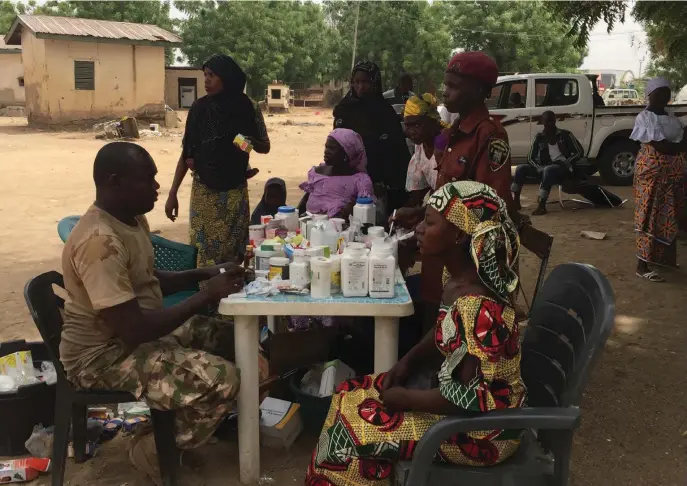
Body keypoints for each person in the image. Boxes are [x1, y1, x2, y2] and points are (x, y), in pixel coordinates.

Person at [62, 142, 260, 485]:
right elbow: (135, 329)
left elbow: (149, 282)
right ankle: (152, 449)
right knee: (224, 377)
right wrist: (204, 297)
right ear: (115, 181)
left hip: (128, 337)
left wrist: (205, 274)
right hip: (102, 358)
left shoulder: (131, 220)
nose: (157, 187)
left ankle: (176, 429)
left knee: (231, 339)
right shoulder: (99, 241)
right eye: (148, 179)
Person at [305, 181, 524, 486]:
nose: (419, 229)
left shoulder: (478, 304)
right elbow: (444, 330)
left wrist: (408, 398)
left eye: (430, 222)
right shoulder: (457, 277)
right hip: (458, 404)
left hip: (484, 430)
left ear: (459, 235)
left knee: (350, 435)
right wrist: (405, 362)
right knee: (346, 393)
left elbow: (468, 398)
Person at [392, 51, 523, 335]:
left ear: (480, 91)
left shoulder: (489, 136)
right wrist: (420, 214)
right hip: (441, 250)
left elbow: (491, 210)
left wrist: (445, 233)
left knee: (456, 332)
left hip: (465, 261)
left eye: (453, 86)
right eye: (446, 84)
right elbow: (446, 195)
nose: (445, 92)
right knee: (433, 319)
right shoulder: (453, 133)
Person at [165, 54, 270, 269]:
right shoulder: (199, 109)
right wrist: (173, 193)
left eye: (212, 75)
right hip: (204, 193)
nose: (206, 80)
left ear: (227, 76)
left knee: (232, 253)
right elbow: (187, 153)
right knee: (203, 252)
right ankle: (206, 298)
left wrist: (242, 143)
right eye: (205, 75)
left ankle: (226, 297)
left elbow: (263, 147)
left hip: (234, 194)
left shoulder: (247, 107)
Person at [333, 61, 411, 218]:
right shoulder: (344, 110)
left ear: (375, 83)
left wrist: (382, 182)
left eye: (365, 82)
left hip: (381, 182)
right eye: (356, 82)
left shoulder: (385, 113)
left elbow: (396, 152)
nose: (360, 87)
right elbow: (337, 146)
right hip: (349, 180)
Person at [630, 77, 686, 282]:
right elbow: (660, 146)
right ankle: (642, 264)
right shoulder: (644, 118)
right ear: (650, 94)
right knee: (649, 217)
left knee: (669, 215)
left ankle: (663, 259)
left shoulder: (673, 119)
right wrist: (678, 148)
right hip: (651, 176)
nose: (664, 96)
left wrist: (676, 148)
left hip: (672, 177)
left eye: (667, 92)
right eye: (659, 92)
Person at [511, 110, 584, 215]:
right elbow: (530, 158)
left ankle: (541, 206)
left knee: (548, 170)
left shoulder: (565, 135)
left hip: (563, 169)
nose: (548, 124)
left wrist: (568, 163)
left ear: (554, 122)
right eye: (546, 122)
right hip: (544, 167)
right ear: (543, 123)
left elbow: (579, 152)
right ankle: (515, 202)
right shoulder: (539, 138)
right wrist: (538, 167)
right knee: (520, 169)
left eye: (550, 121)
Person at [298, 128, 374, 219]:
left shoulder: (360, 180)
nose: (326, 151)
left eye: (332, 148)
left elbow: (365, 210)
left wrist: (351, 209)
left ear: (347, 153)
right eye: (326, 147)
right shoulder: (317, 173)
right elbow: (306, 199)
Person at [403, 93, 449, 207]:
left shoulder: (448, 143)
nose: (411, 132)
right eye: (408, 126)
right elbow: (417, 193)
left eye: (417, 125)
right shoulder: (420, 145)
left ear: (432, 120)